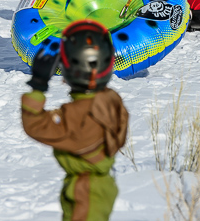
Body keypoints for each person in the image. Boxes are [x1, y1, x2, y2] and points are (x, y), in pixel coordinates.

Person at [22, 20, 130, 221]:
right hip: (100, 186)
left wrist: (38, 84)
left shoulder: (76, 115)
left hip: (85, 191)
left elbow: (35, 125)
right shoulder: (111, 101)